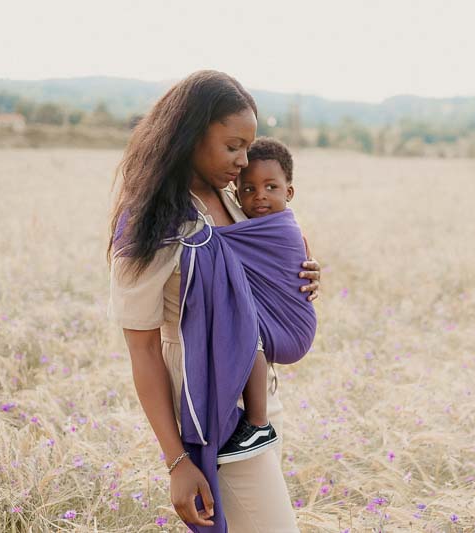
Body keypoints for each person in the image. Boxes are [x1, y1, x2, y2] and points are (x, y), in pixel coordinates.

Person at [107, 71, 320, 532]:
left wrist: (302, 272)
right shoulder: (151, 224)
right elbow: (142, 349)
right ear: (189, 135)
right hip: (210, 407)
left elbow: (257, 262)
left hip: (261, 405)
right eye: (232, 146)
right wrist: (177, 461)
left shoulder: (233, 197)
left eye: (248, 146)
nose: (244, 162)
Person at [215, 137, 299, 464]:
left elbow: (212, 241)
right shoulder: (253, 225)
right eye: (248, 190)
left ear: (288, 193)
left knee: (245, 326)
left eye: (270, 187)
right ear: (236, 195)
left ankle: (258, 423)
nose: (260, 196)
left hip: (290, 328)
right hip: (281, 331)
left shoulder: (280, 228)